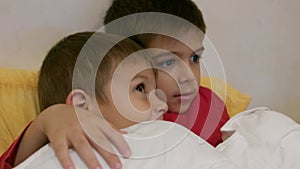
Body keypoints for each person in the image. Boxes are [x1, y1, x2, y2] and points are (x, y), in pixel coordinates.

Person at [1, 0, 235, 169]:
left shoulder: (209, 106)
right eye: (168, 62)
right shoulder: (94, 121)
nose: (188, 76)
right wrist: (50, 118)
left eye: (195, 58)